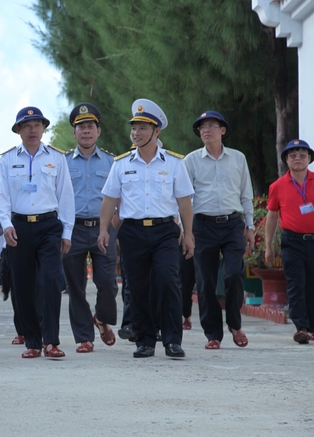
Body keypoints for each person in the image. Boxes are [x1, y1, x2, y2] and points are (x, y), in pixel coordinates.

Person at [98, 99, 194, 359]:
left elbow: (184, 201)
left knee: (168, 282)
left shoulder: (174, 163)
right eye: (134, 128)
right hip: (132, 232)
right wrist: (104, 229)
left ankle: (173, 340)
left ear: (156, 131)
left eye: (142, 128)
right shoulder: (121, 164)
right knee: (137, 287)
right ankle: (145, 340)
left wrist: (189, 233)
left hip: (165, 231)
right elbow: (109, 199)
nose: (136, 133)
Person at [0, 106, 75, 359]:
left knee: (51, 281)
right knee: (23, 285)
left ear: (43, 129)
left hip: (49, 226)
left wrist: (67, 231)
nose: (32, 129)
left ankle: (51, 341)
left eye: (37, 125)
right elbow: (1, 195)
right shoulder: (7, 160)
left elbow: (66, 196)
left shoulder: (56, 157)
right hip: (18, 227)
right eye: (27, 125)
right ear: (18, 130)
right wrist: (6, 224)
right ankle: (32, 341)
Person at [184, 111, 254, 350]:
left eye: (212, 125)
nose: (206, 130)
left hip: (233, 224)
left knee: (234, 274)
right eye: (202, 127)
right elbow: (185, 198)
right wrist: (187, 231)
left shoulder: (237, 158)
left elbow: (246, 194)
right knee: (205, 282)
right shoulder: (191, 161)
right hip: (202, 226)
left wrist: (250, 227)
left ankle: (235, 324)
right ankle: (213, 333)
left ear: (222, 130)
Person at [62, 102, 118, 353]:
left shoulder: (112, 162)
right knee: (75, 286)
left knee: (107, 282)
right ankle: (84, 337)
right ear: (74, 133)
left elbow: (122, 197)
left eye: (90, 126)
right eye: (81, 127)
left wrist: (113, 225)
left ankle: (101, 317)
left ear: (98, 131)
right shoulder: (61, 163)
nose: (86, 131)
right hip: (72, 230)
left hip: (103, 228)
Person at [265, 139, 314, 344]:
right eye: (293, 155)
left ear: (309, 159)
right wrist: (268, 246)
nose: (298, 159)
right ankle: (301, 327)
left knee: (311, 284)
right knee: (296, 284)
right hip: (291, 241)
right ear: (286, 159)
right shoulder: (277, 186)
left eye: (302, 155)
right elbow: (272, 216)